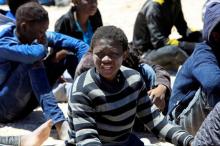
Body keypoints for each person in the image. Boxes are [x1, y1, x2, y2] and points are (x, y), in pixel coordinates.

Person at [67, 25, 193, 146]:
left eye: (114, 54)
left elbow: (155, 121)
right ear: (91, 52)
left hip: (123, 141)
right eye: (100, 53)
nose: (106, 59)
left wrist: (189, 141)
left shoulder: (134, 79)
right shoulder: (82, 89)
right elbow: (87, 140)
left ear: (125, 54)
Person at [0, 1, 89, 140]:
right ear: (24, 27)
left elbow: (80, 45)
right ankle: (59, 123)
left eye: (45, 30)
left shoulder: (37, 35)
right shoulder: (4, 42)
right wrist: (45, 47)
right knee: (33, 62)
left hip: (26, 104)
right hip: (4, 109)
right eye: (41, 31)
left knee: (66, 54)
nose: (43, 35)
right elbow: (33, 55)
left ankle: (88, 106)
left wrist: (86, 68)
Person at [167, 1, 220, 136]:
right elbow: (212, 83)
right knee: (213, 86)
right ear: (216, 35)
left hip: (200, 117)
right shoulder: (203, 53)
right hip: (181, 122)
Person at [132, 0, 202, 71]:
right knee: (175, 51)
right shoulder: (154, 7)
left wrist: (196, 36)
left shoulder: (175, 2)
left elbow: (183, 28)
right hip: (146, 53)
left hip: (162, 45)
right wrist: (190, 46)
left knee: (200, 35)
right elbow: (159, 42)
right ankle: (196, 69)